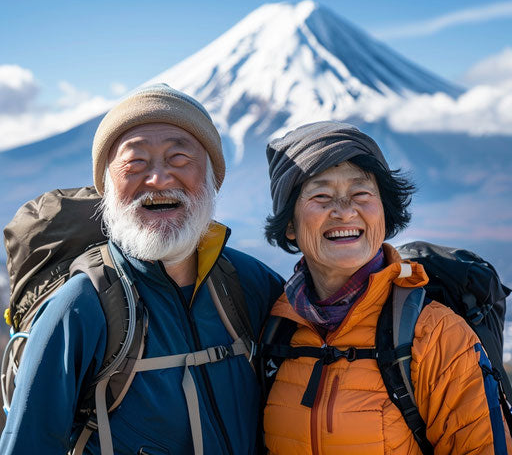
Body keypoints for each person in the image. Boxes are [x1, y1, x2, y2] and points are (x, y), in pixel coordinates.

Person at [0, 83, 283, 454]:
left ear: (213, 176)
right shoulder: (82, 307)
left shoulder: (252, 284)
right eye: (135, 164)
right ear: (107, 186)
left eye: (180, 160)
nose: (159, 179)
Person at [262, 121, 508, 454]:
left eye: (361, 193)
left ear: (384, 212)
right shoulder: (274, 329)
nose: (346, 211)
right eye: (321, 196)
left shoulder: (433, 334)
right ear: (289, 224)